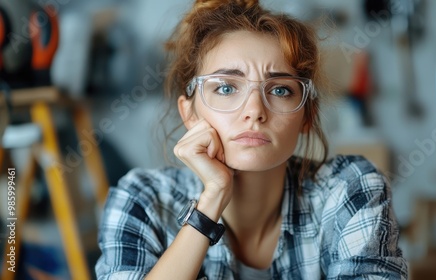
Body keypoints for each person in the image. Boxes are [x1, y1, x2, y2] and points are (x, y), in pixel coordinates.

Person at [95, 0, 408, 279]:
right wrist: (210, 202)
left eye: (280, 89)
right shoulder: (142, 201)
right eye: (227, 88)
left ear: (307, 115)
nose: (255, 112)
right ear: (189, 113)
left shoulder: (349, 189)